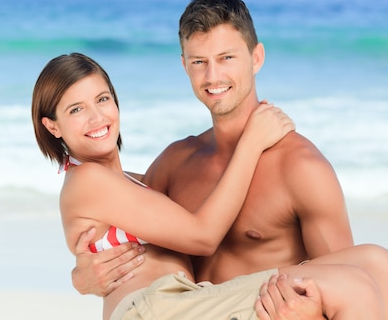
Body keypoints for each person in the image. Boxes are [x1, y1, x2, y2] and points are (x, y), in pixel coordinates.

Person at [31, 52, 388, 320]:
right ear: (53, 126)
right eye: (76, 110)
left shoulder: (131, 183)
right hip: (156, 309)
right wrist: (252, 142)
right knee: (352, 287)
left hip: (186, 301)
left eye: (102, 99)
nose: (97, 117)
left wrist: (80, 277)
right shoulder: (87, 180)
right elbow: (202, 237)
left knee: (376, 262)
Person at [70, 0, 355, 297]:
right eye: (199, 62)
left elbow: (344, 287)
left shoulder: (301, 168)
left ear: (256, 58)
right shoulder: (177, 161)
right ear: (184, 66)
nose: (213, 76)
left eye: (226, 58)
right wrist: (82, 277)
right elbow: (122, 225)